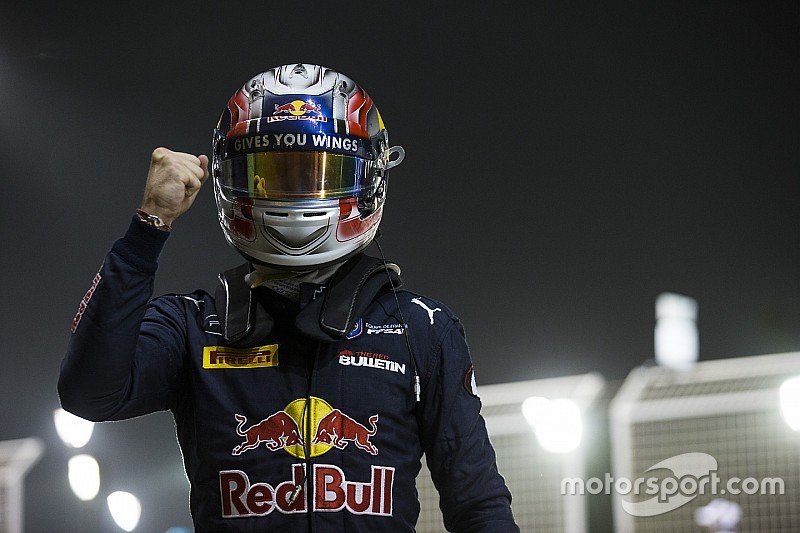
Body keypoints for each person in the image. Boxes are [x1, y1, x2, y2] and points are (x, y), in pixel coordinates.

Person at [59, 63, 518, 532]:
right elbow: (88, 394)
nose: (297, 195)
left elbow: (478, 506)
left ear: (370, 178)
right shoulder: (193, 325)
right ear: (230, 178)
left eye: (319, 174)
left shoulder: (421, 328)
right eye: (272, 175)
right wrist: (149, 224)